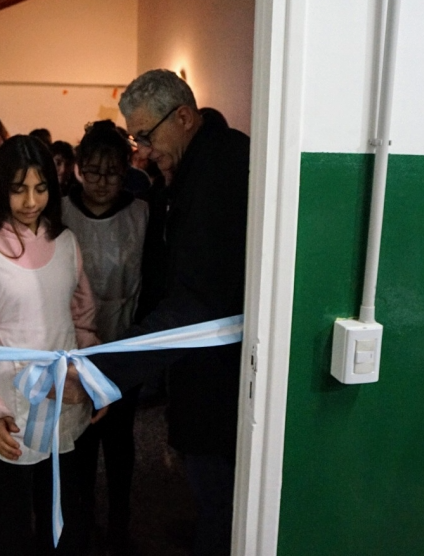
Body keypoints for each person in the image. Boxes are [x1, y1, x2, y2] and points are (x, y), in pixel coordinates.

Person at [87, 69, 250, 556]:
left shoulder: (222, 171)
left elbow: (196, 300)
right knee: (207, 488)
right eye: (136, 139)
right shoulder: (195, 166)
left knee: (220, 494)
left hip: (219, 369)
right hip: (196, 364)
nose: (141, 152)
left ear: (182, 117)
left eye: (146, 136)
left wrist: (107, 368)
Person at [0, 135, 101, 556]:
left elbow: (83, 321)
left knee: (65, 517)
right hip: (10, 412)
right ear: (0, 189)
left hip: (66, 403)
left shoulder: (65, 242)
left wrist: (93, 382)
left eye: (41, 188)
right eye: (18, 189)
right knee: (13, 527)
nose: (31, 201)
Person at [63, 121, 149, 556]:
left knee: (118, 442)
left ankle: (119, 525)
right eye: (93, 171)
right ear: (79, 167)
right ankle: (79, 524)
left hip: (122, 343)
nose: (101, 182)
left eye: (112, 172)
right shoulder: (60, 211)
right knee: (78, 441)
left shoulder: (141, 213)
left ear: (126, 170)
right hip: (71, 349)